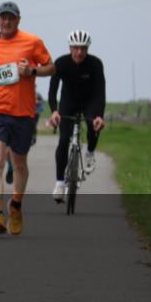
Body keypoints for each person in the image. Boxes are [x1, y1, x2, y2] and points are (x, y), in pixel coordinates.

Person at [0, 2, 53, 236]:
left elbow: (51, 67)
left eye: (11, 18)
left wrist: (31, 71)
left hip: (23, 112)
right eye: (3, 18)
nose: (6, 22)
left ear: (18, 20)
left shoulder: (32, 41)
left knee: (19, 162)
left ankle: (16, 205)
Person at [48, 29, 106, 202]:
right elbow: (52, 90)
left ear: (87, 48)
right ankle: (59, 183)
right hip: (68, 103)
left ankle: (89, 152)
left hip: (89, 102)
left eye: (83, 48)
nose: (79, 52)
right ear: (70, 47)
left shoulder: (95, 63)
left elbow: (100, 91)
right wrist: (54, 111)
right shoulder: (61, 63)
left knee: (93, 125)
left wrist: (99, 116)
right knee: (64, 140)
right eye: (75, 48)